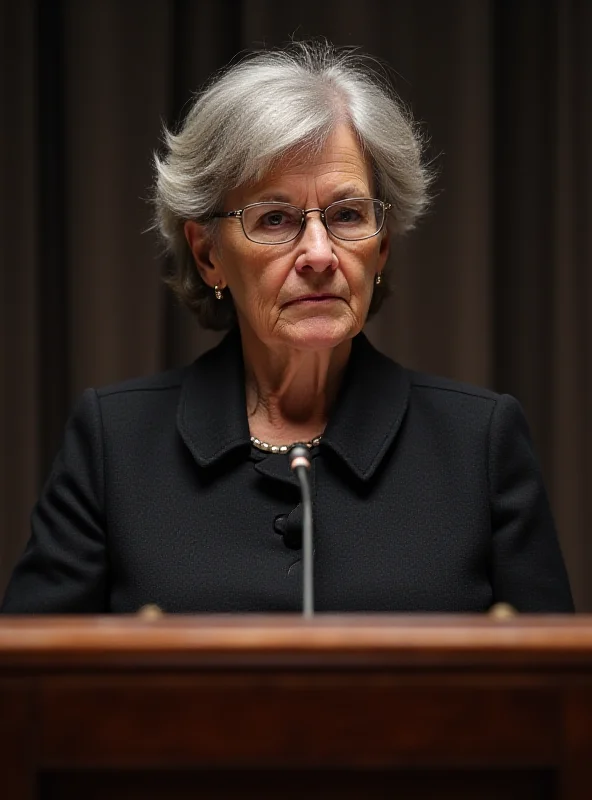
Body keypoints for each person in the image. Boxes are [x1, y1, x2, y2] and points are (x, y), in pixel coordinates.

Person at [1, 42, 573, 614]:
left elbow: (558, 695)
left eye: (348, 215)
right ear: (207, 256)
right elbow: (30, 689)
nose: (320, 254)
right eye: (274, 219)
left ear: (383, 246)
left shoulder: (479, 442)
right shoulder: (115, 442)